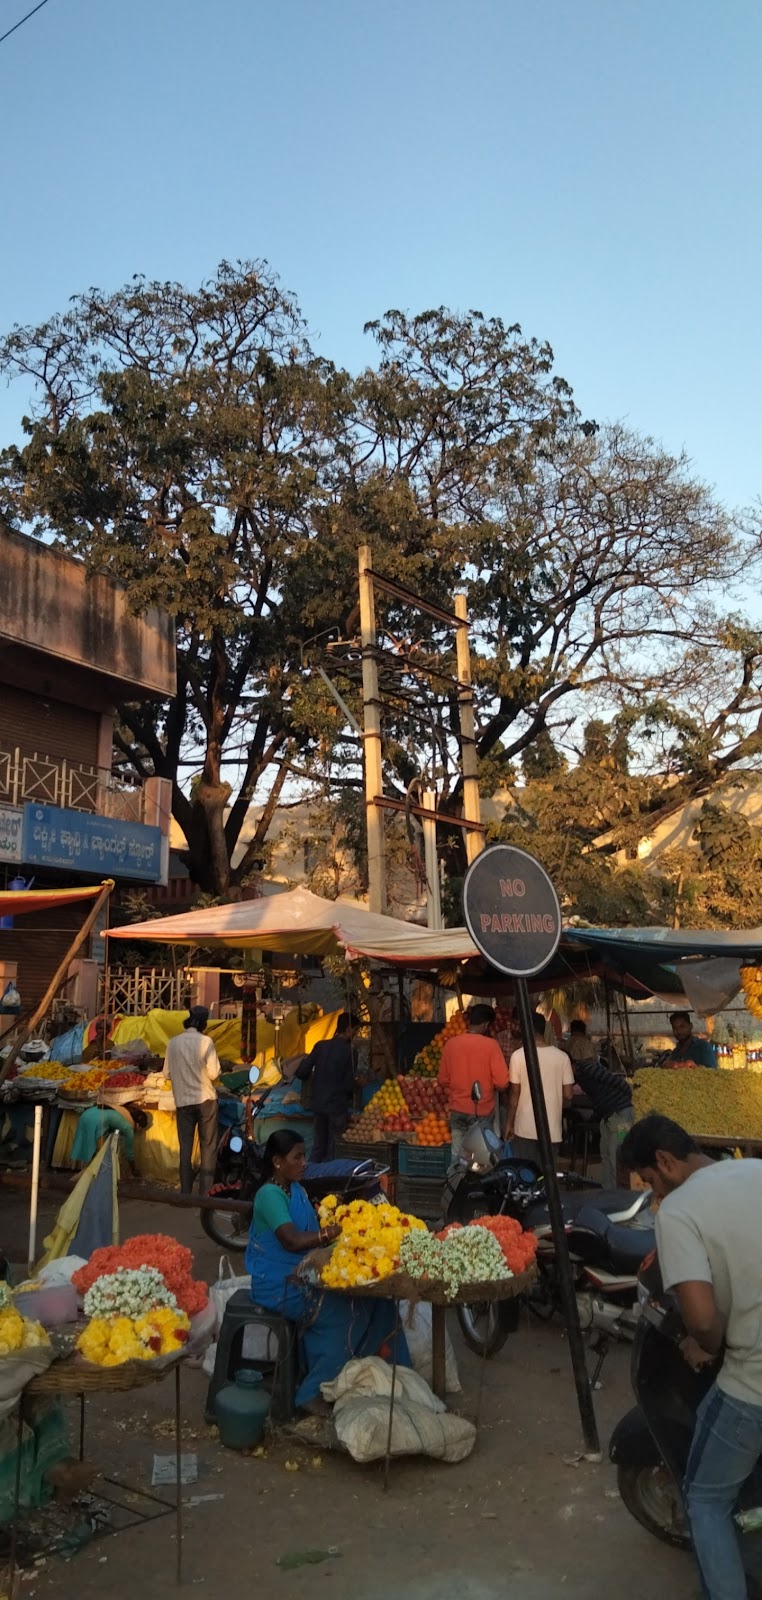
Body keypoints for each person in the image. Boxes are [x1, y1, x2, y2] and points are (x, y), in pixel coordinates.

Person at [621, 1114, 762, 1600]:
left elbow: (700, 1317)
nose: (653, 1193)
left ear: (664, 1162)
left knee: (705, 1499)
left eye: (650, 1182)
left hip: (755, 1384)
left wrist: (706, 1343)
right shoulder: (754, 1171)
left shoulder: (679, 1212)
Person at [245, 1130, 411, 1415]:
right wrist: (329, 1233)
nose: (304, 1163)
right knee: (345, 1312)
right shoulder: (269, 1195)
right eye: (297, 1157)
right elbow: (292, 1240)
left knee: (380, 1302)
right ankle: (311, 1393)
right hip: (279, 1283)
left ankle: (398, 1375)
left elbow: (311, 1232)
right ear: (277, 1162)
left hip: (306, 1270)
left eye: (304, 1155)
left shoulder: (295, 1189)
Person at [437, 1004, 509, 1160]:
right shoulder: (491, 1046)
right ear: (485, 1024)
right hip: (481, 1112)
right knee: (482, 1158)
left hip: (458, 1110)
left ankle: (455, 1183)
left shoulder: (451, 1044)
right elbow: (503, 1083)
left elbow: (442, 1080)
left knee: (457, 1156)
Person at [504, 1010, 574, 1166]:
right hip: (551, 1129)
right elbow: (569, 1094)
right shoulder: (562, 1057)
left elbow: (514, 1095)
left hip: (524, 1128)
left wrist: (509, 1123)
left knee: (525, 1176)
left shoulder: (518, 1056)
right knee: (546, 1178)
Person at [165, 1006, 221, 1195]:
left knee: (186, 1147)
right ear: (204, 1023)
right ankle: (205, 1194)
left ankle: (185, 1193)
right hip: (206, 1100)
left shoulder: (173, 1043)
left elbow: (166, 1073)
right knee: (208, 1147)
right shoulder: (206, 1041)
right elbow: (213, 1073)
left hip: (183, 1102)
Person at [567, 1053, 633, 1188]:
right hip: (608, 1116)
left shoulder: (587, 1068)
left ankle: (619, 1194)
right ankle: (608, 1191)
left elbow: (614, 1080)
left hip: (621, 1115)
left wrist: (626, 1095)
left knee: (616, 1154)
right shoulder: (579, 1077)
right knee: (605, 1154)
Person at [297, 1013, 357, 1162]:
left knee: (318, 1146)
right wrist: (359, 1084)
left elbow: (301, 1071)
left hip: (318, 1105)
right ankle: (328, 1180)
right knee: (333, 1149)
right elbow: (348, 1084)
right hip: (336, 1107)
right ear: (349, 1030)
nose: (355, 1034)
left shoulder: (320, 1046)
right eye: (356, 1030)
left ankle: (310, 1177)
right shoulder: (350, 1052)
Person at [70, 1103, 145, 1177]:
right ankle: (82, 1179)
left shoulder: (122, 1114)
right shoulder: (129, 1128)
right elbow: (129, 1152)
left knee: (92, 1151)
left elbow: (114, 1132)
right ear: (138, 1125)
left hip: (86, 1115)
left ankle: (84, 1176)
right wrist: (133, 1169)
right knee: (101, 1157)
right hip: (98, 1121)